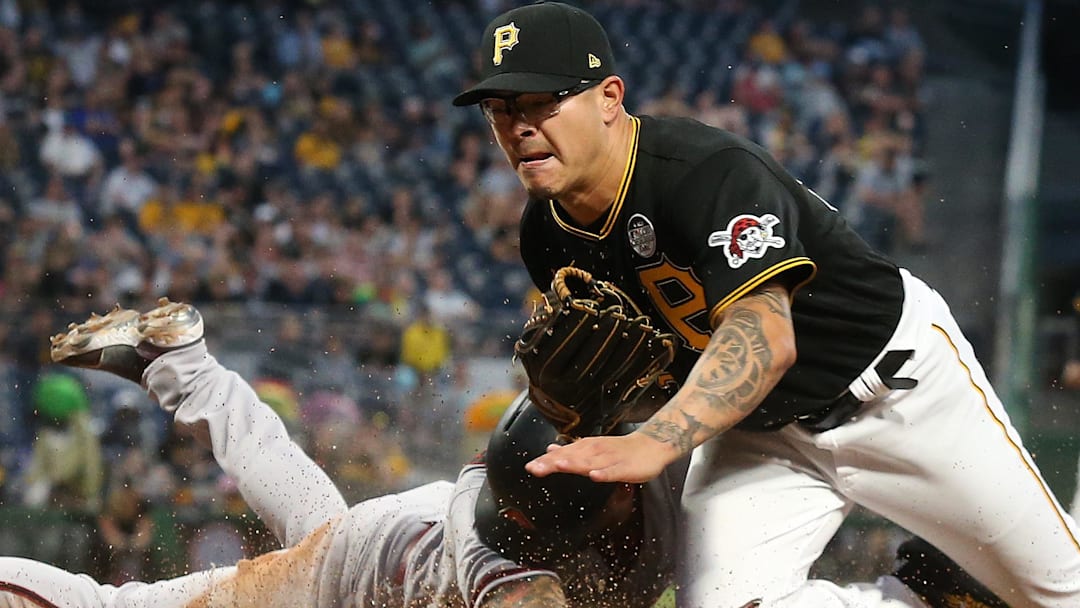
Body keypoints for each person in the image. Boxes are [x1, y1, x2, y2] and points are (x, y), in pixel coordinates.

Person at [452, 3, 1080, 607]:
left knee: (1063, 594)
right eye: (501, 110)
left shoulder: (702, 171)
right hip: (759, 435)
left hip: (895, 393)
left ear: (610, 98)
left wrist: (654, 441)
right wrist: (583, 411)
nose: (520, 126)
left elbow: (766, 337)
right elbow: (654, 361)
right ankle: (929, 598)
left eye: (544, 102)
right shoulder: (546, 234)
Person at [0, 298, 683, 608]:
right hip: (369, 571)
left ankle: (181, 368)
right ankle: (181, 370)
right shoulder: (512, 562)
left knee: (316, 523)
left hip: (401, 537)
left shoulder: (649, 475)